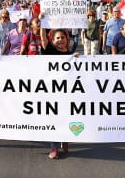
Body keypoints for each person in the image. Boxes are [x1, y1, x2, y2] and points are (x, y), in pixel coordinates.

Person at [39, 25, 78, 159]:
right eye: (57, 38)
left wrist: (78, 59)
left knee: (66, 117)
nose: (60, 40)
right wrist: (43, 24)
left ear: (67, 40)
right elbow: (43, 40)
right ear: (53, 40)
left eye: (62, 37)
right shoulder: (50, 50)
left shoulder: (70, 55)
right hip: (52, 92)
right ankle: (54, 147)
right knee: (54, 118)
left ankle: (65, 139)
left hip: (67, 93)